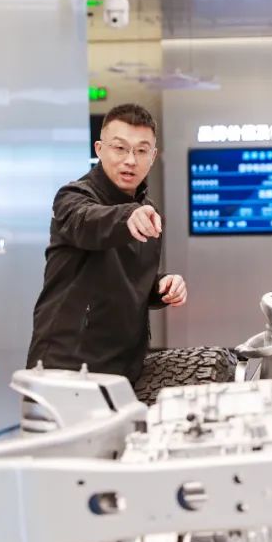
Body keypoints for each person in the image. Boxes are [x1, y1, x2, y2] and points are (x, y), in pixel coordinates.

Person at [27, 103, 187, 385]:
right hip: (66, 365)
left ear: (153, 156)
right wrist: (128, 217)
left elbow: (126, 280)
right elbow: (90, 222)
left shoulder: (148, 211)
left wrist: (160, 286)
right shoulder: (72, 198)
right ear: (99, 150)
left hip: (125, 367)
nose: (130, 160)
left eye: (141, 151)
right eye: (120, 148)